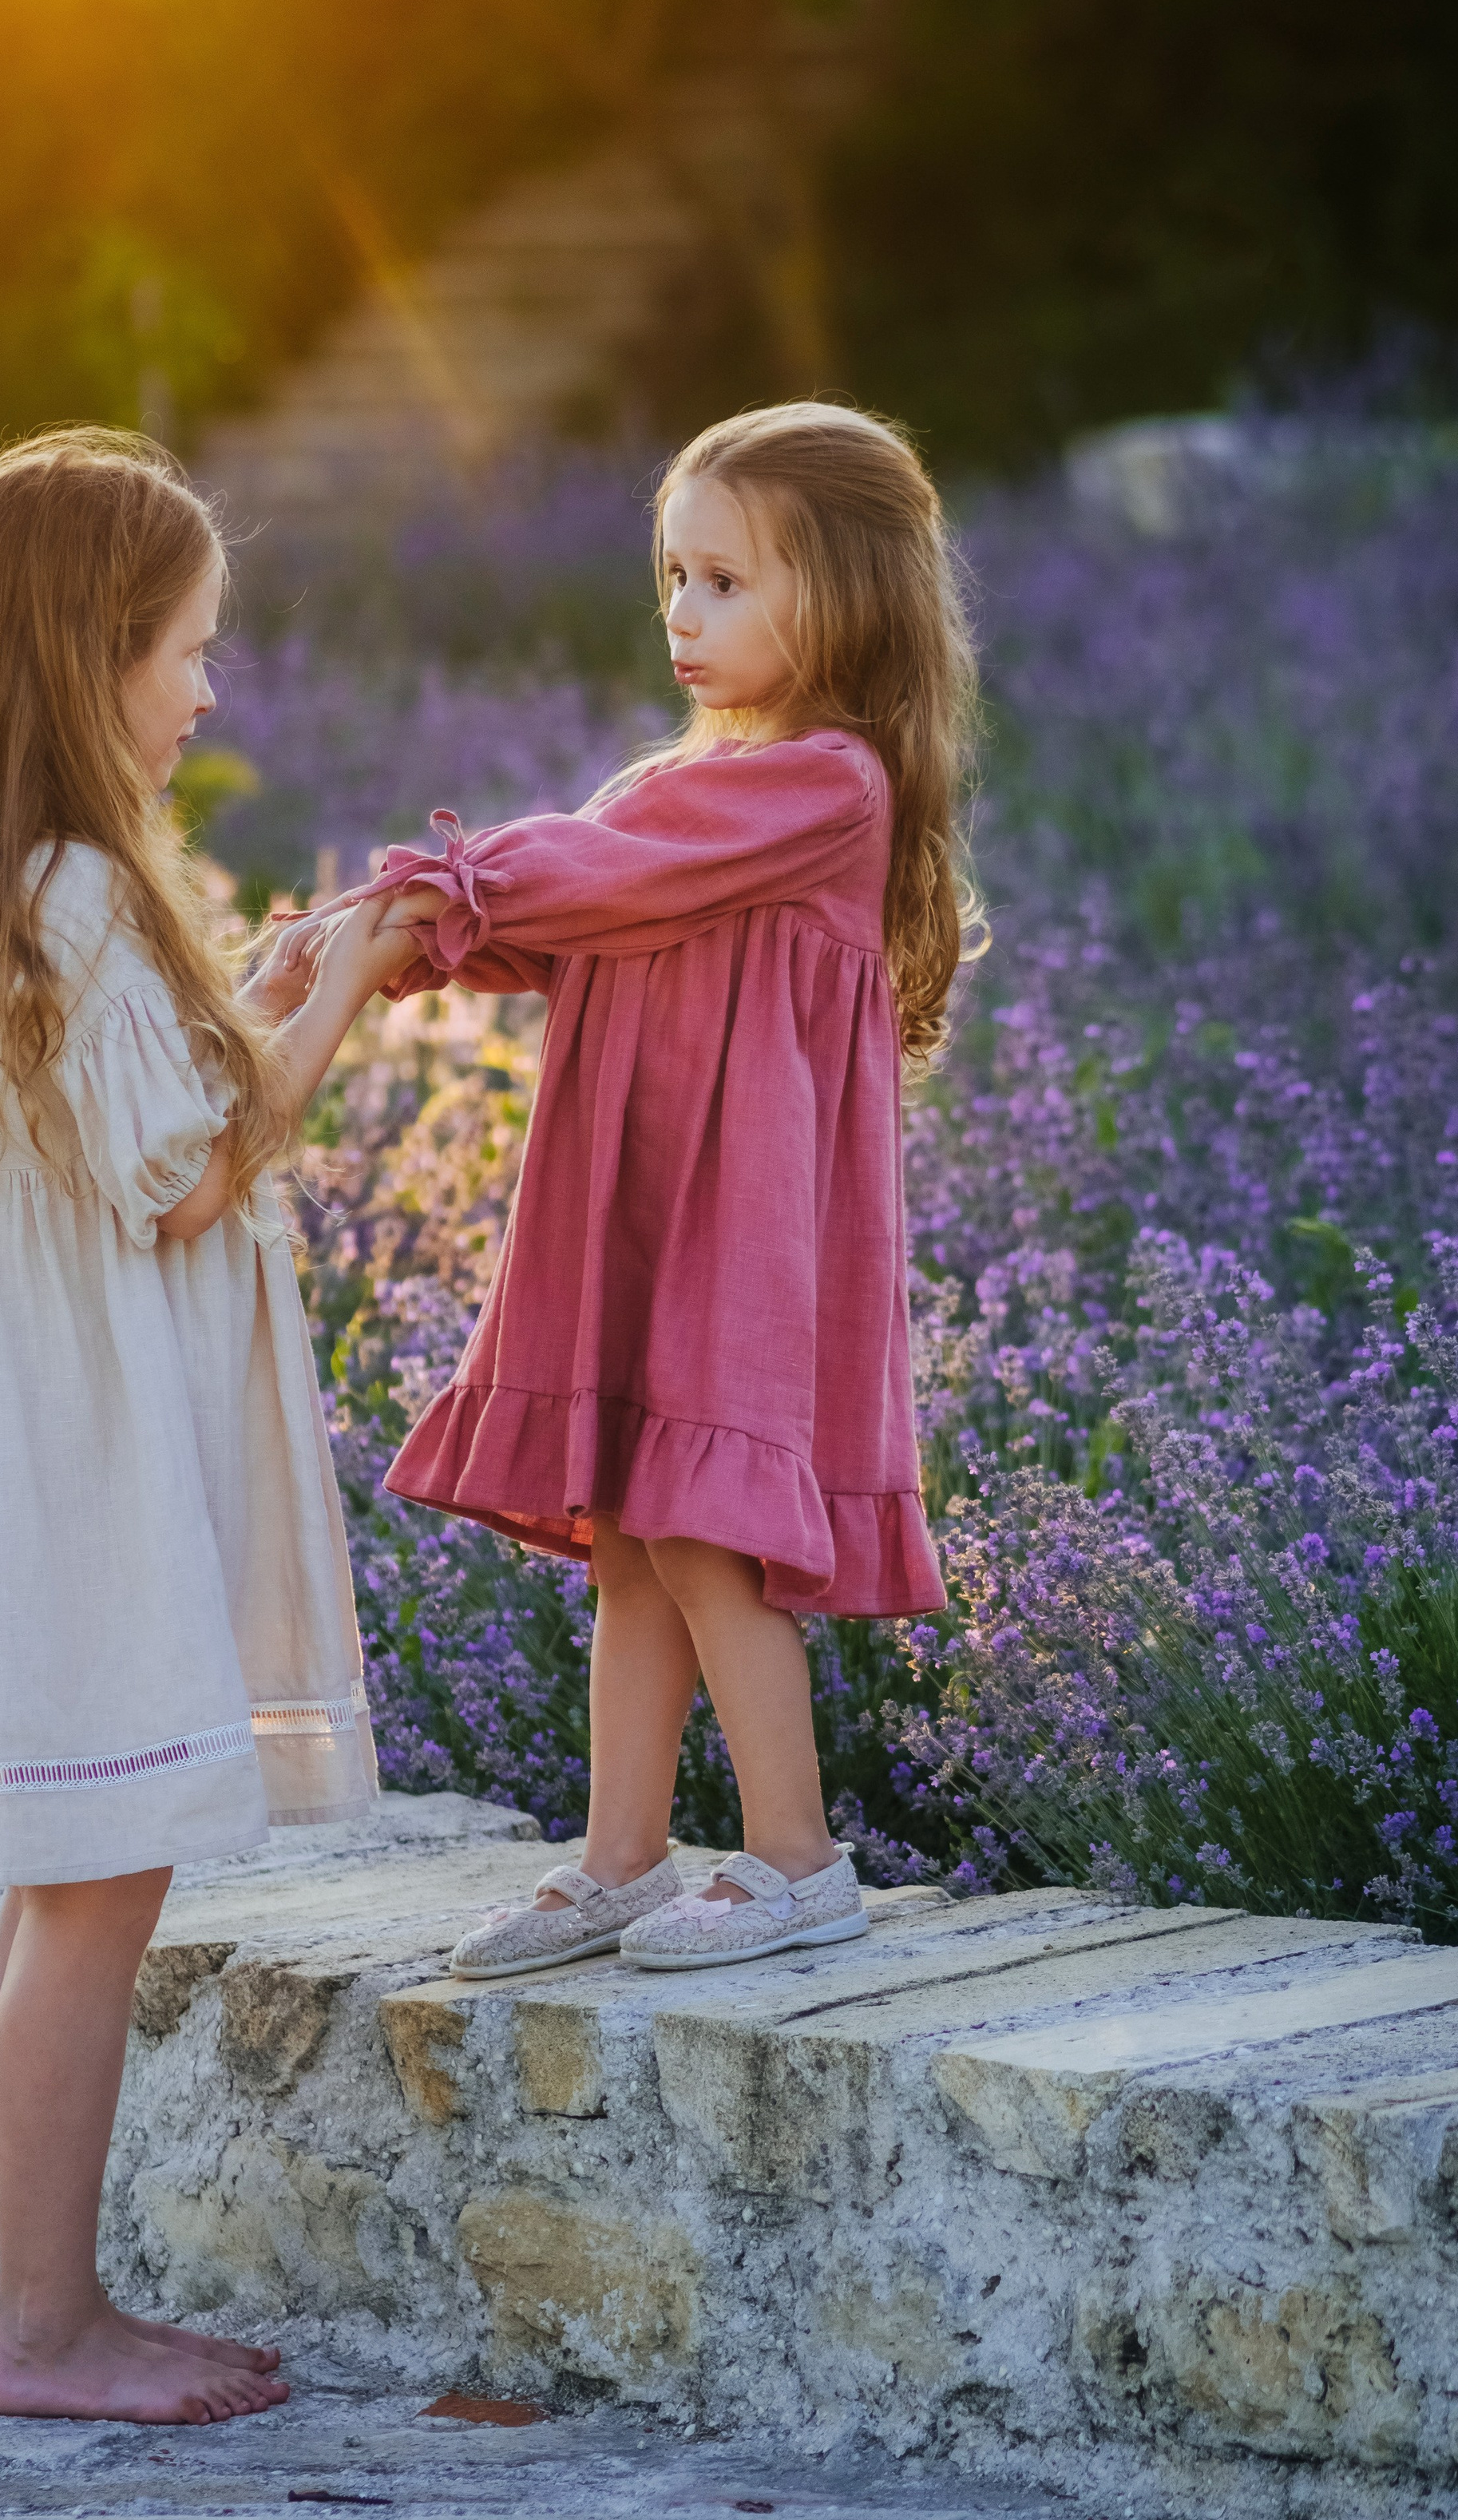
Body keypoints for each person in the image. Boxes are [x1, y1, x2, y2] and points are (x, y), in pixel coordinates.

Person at [0, 431, 411, 2423]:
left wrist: (253, 987)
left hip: (38, 1461)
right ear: (89, 661)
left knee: (57, 1887)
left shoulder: (5, 885)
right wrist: (351, 996)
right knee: (90, 1894)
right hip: (93, 1479)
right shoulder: (70, 889)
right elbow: (185, 1174)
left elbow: (127, 1109)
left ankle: (41, 2308)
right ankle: (46, 2328)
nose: (207, 689)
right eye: (184, 650)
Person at [306, 400, 982, 1979]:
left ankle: (796, 1861)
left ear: (849, 595)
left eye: (725, 582)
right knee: (627, 1533)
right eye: (670, 577)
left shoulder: (822, 786)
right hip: (640, 1212)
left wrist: (422, 894)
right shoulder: (681, 779)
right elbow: (566, 918)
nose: (681, 614)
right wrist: (380, 936)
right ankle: (618, 1860)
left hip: (736, 1232)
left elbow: (586, 875)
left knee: (700, 1534)